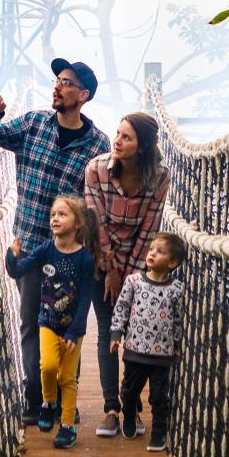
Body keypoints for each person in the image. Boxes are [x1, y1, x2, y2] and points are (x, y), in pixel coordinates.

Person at [0, 58, 111, 426]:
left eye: (66, 82)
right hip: (32, 246)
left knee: (68, 327)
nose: (57, 86)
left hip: (70, 253)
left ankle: (65, 399)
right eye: (56, 80)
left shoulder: (99, 144)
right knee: (32, 324)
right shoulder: (34, 122)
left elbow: (99, 201)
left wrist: (101, 256)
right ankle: (37, 402)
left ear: (82, 95)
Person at [82, 112, 170, 436]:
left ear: (143, 147)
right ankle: (111, 408)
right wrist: (109, 270)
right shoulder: (95, 169)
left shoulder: (160, 177)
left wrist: (131, 277)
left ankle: (132, 401)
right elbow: (95, 224)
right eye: (117, 133)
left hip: (137, 265)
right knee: (108, 333)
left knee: (136, 334)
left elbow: (149, 230)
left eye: (126, 137)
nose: (116, 141)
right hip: (97, 260)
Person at [4, 196, 102, 449]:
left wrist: (76, 330)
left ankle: (67, 426)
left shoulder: (85, 259)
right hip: (47, 322)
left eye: (62, 215)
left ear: (78, 223)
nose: (55, 219)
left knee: (67, 378)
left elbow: (85, 300)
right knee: (47, 367)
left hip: (71, 330)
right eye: (53, 215)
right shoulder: (46, 248)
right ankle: (48, 403)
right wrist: (11, 256)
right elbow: (18, 270)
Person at [108, 232, 188, 452]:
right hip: (135, 350)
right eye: (152, 248)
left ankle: (159, 432)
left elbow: (178, 320)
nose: (152, 253)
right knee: (128, 391)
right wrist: (116, 335)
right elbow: (122, 309)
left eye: (160, 251)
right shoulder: (134, 282)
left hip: (162, 355)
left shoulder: (176, 289)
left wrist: (177, 344)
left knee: (159, 397)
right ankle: (130, 415)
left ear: (172, 263)